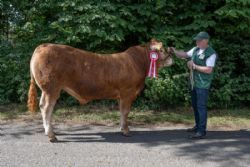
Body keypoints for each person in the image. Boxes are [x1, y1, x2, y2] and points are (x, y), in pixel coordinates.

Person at [169, 31, 217, 139]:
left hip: (203, 84)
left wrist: (194, 66)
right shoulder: (196, 49)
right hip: (194, 83)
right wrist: (174, 51)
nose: (196, 42)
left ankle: (201, 131)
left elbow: (209, 70)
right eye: (196, 40)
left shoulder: (211, 53)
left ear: (205, 41)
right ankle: (197, 126)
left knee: (201, 107)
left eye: (199, 40)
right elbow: (185, 54)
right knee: (195, 106)